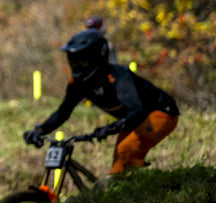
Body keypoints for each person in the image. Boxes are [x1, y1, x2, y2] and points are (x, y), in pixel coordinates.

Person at [22, 29, 179, 176]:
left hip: (161, 112)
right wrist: (40, 130)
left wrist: (109, 128)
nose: (77, 67)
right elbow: (63, 113)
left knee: (126, 151)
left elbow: (136, 111)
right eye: (73, 62)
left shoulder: (118, 77)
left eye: (81, 62)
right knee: (118, 169)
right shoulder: (78, 84)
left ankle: (156, 192)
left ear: (96, 58)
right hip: (134, 120)